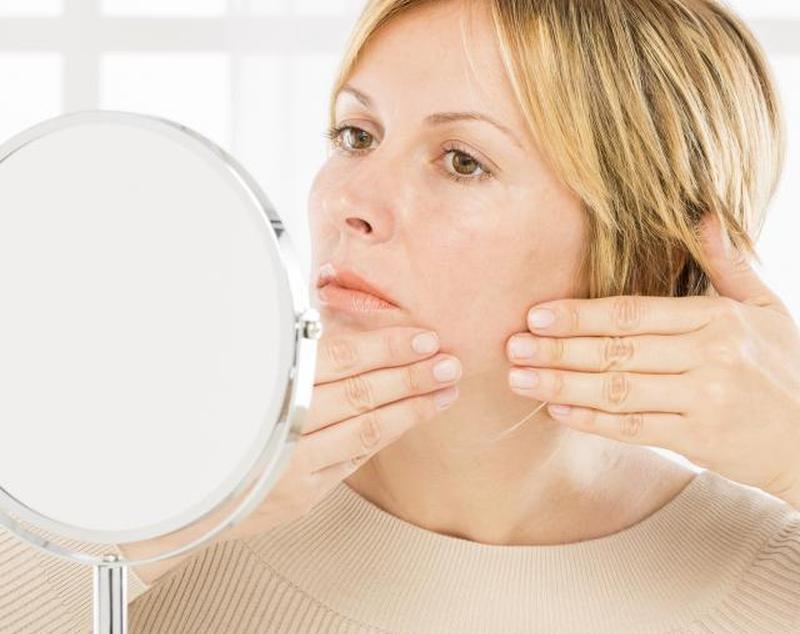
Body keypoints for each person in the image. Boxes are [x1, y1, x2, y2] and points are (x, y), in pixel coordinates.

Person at [2, 0, 799, 632]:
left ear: (649, 250)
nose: (349, 200)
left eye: (463, 161)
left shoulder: (769, 578)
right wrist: (143, 539)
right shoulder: (137, 522)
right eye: (356, 135)